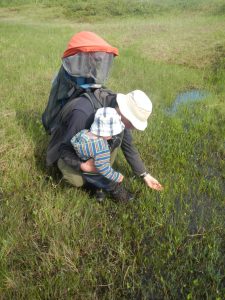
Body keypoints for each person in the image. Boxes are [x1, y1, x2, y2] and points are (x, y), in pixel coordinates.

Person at [43, 31, 163, 202]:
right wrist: (84, 165)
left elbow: (128, 146)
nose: (130, 128)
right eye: (132, 123)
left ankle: (97, 181)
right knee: (76, 180)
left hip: (89, 145)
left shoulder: (117, 114)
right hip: (67, 150)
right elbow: (64, 149)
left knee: (114, 144)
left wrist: (145, 175)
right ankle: (97, 186)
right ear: (123, 111)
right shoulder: (82, 112)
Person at [70, 107, 134, 202]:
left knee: (93, 178)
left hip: (81, 160)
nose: (113, 135)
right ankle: (117, 192)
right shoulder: (101, 149)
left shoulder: (84, 133)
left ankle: (95, 190)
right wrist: (116, 176)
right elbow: (104, 169)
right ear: (107, 133)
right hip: (92, 168)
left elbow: (72, 141)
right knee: (105, 178)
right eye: (112, 133)